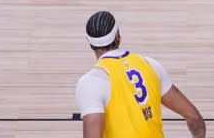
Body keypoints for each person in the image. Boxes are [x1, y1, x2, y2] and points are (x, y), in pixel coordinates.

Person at [75, 10, 206, 138]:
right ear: (117, 35)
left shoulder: (91, 82)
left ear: (90, 43)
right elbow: (195, 118)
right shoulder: (150, 65)